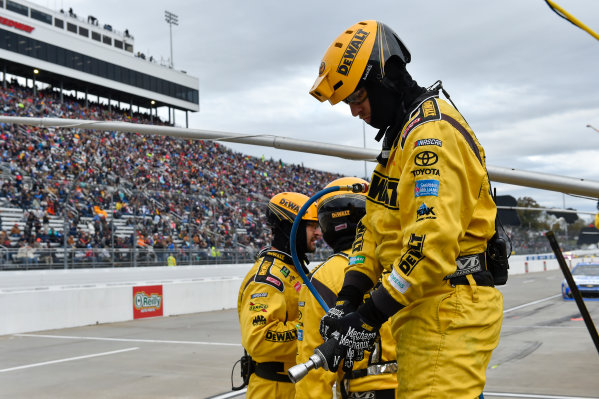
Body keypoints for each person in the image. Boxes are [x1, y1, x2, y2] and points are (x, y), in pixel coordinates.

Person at [311, 20, 503, 398]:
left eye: (357, 97)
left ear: (384, 79)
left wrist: (367, 319)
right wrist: (348, 298)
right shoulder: (398, 143)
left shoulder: (431, 135)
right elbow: (372, 227)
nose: (354, 112)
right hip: (424, 313)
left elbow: (428, 247)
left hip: (450, 311)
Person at [296, 177, 397, 399]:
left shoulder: (323, 278)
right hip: (418, 385)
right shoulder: (400, 264)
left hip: (363, 391)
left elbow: (315, 370)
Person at [237, 191, 322, 398]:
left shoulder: (295, 270)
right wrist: (312, 329)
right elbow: (259, 339)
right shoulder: (267, 277)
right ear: (292, 228)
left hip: (295, 385)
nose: (319, 233)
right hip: (274, 389)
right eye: (312, 226)